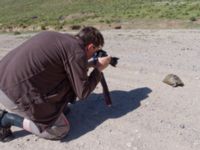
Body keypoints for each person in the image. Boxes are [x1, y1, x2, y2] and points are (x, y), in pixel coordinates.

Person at [0, 26, 111, 142]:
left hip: (4, 80)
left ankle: (54, 110)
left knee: (64, 97)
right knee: (60, 130)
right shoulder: (77, 51)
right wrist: (98, 69)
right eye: (96, 51)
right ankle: (7, 119)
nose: (95, 54)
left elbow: (64, 66)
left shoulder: (60, 39)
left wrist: (91, 63)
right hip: (11, 93)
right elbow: (83, 92)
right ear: (90, 46)